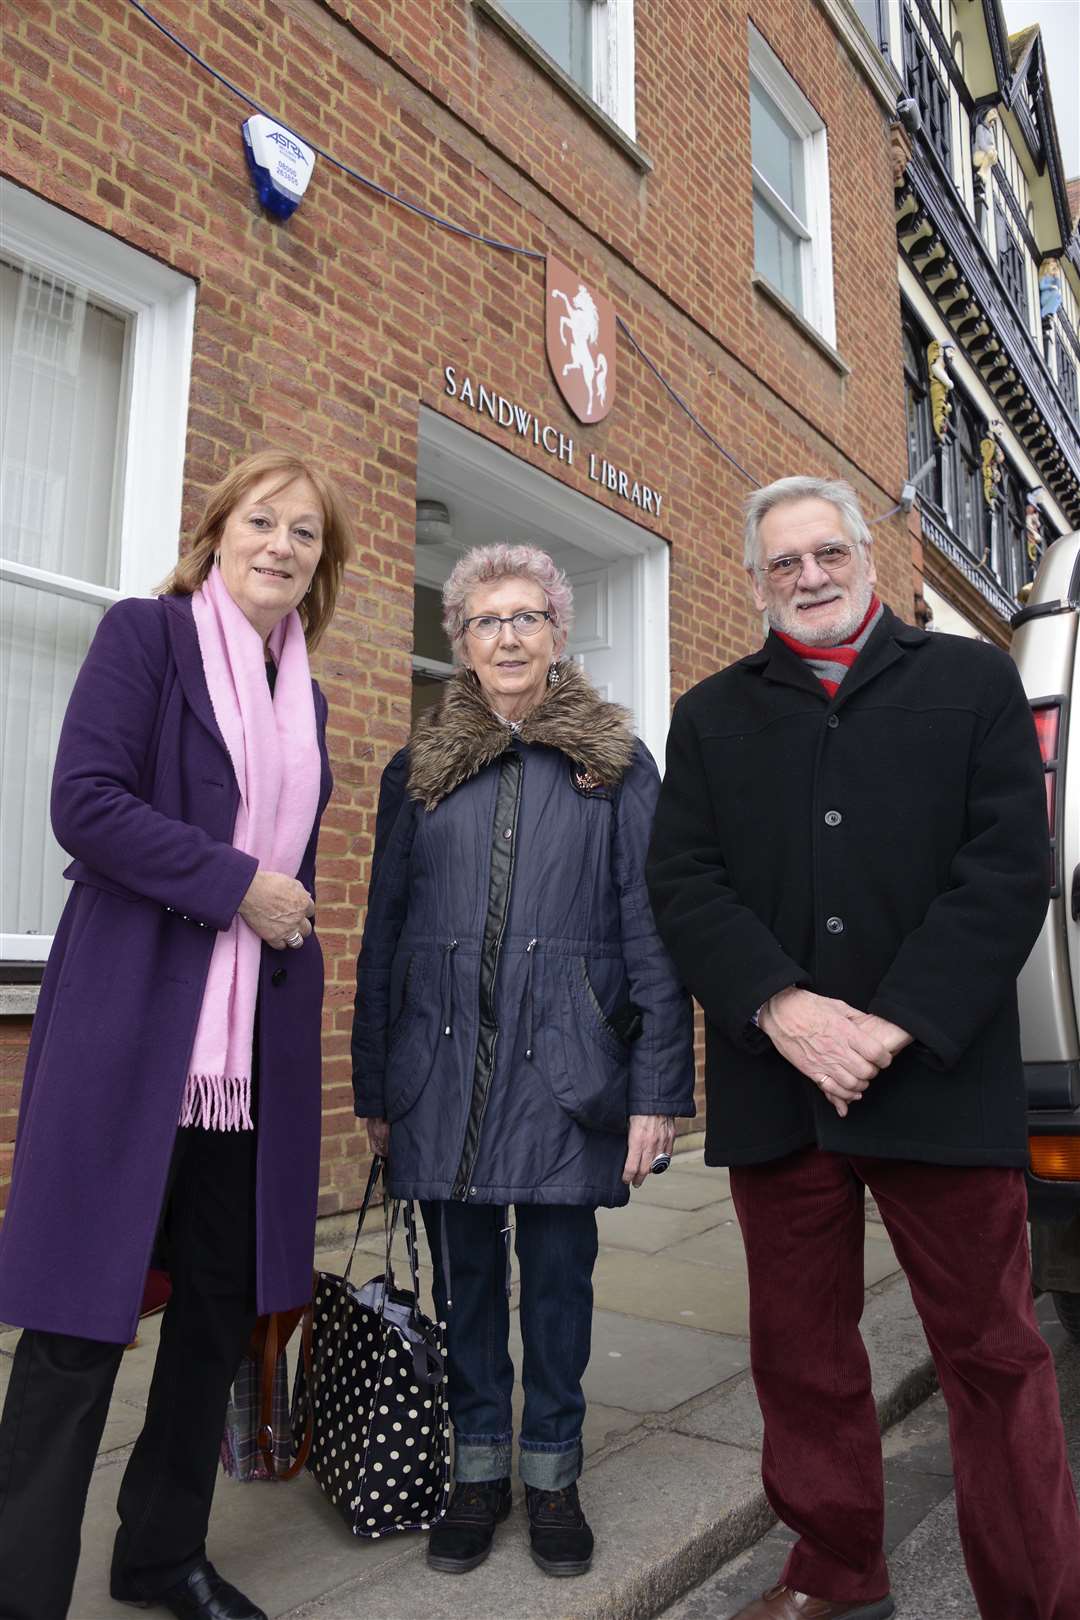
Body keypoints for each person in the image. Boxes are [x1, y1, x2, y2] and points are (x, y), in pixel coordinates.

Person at [646, 476, 1080, 1620]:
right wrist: (783, 1009)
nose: (809, 576)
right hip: (777, 1093)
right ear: (753, 581)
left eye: (827, 551)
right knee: (801, 1360)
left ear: (868, 559)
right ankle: (836, 1579)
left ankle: (1033, 1597)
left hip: (935, 1078)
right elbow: (684, 884)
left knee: (992, 1358)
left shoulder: (971, 681)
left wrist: (888, 1024)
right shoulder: (710, 715)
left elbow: (1007, 870)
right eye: (782, 563)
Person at [0, 450, 353, 1620]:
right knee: (77, 1323)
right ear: (217, 531)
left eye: (307, 534)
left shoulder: (300, 690)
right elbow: (85, 802)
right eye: (265, 521)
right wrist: (237, 883)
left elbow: (291, 878)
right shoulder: (145, 638)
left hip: (250, 1059)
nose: (283, 546)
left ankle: (162, 1558)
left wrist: (271, 901)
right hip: (134, 1022)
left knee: (214, 1307)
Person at [352, 543, 694, 1579]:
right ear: (457, 643)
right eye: (484, 621)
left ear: (557, 633)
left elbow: (653, 930)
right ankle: (475, 1475)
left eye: (526, 618)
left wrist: (659, 1091)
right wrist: (376, 1081)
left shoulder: (619, 766)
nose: (506, 636)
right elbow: (382, 932)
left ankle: (551, 1478)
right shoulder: (416, 770)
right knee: (464, 1287)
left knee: (555, 1287)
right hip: (441, 1067)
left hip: (567, 1069)